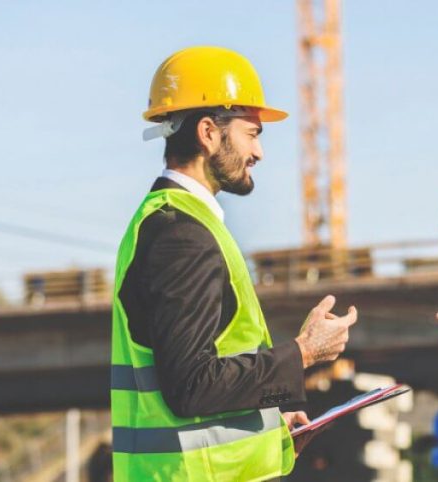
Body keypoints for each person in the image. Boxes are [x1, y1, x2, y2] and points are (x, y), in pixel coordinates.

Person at [111, 46, 358, 482]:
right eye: (252, 133)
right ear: (208, 132)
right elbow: (192, 384)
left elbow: (197, 381)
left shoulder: (170, 220)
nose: (259, 152)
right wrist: (303, 353)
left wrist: (266, 430)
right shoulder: (182, 234)